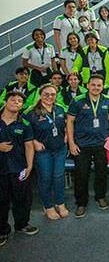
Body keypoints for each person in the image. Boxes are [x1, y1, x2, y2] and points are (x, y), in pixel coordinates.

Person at [67, 74, 109, 218]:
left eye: (99, 85)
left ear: (102, 87)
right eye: (93, 85)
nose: (96, 88)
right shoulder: (77, 101)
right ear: (87, 85)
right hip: (81, 145)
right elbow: (69, 122)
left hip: (102, 144)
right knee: (81, 174)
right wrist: (71, 143)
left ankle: (100, 196)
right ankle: (81, 203)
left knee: (101, 172)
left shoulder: (108, 100)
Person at [25, 85, 68, 220]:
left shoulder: (60, 108)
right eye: (46, 94)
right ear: (40, 95)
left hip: (60, 149)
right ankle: (48, 206)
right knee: (46, 178)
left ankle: (60, 203)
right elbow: (24, 131)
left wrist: (66, 133)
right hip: (44, 152)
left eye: (53, 94)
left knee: (59, 177)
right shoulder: (31, 112)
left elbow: (66, 123)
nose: (50, 97)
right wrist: (34, 142)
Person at [0, 92, 38, 246]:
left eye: (20, 101)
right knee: (1, 201)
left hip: (19, 168)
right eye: (13, 100)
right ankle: (2, 231)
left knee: (22, 199)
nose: (16, 102)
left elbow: (29, 145)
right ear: (5, 101)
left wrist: (29, 166)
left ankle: (22, 224)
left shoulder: (25, 124)